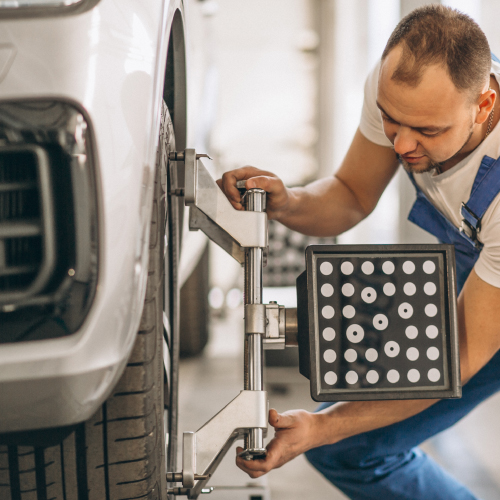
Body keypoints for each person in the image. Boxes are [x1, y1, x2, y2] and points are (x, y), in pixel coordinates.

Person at [217, 5, 500, 500]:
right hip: (476, 259)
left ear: (483, 104)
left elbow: (455, 358)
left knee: (339, 436)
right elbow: (351, 192)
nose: (403, 144)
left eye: (428, 132)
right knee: (347, 447)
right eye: (393, 121)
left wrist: (321, 426)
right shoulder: (400, 87)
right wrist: (289, 201)